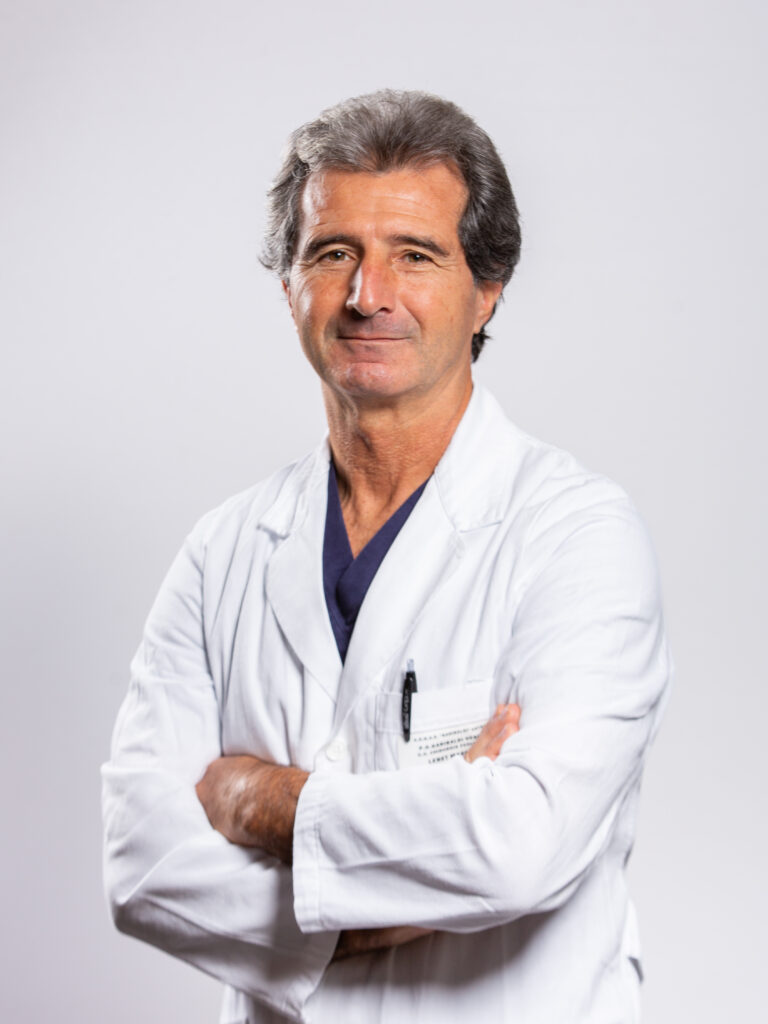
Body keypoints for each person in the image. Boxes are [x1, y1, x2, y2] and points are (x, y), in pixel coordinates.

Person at [102, 90, 670, 1024]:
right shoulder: (223, 553)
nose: (369, 295)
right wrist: (403, 889)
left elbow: (519, 846)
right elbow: (141, 866)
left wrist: (260, 802)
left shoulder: (578, 536)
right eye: (334, 253)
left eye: (415, 255)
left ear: (487, 290)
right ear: (288, 284)